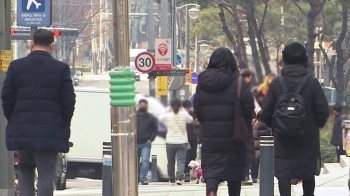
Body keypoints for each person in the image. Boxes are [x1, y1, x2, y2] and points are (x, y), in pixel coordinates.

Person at [1, 29, 76, 196]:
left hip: (22, 131)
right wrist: (63, 124)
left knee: (25, 169)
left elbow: (6, 97)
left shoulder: (16, 66)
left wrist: (14, 119)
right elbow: (68, 101)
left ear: (32, 43)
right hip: (50, 132)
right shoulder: (61, 69)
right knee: (46, 174)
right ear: (52, 45)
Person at [261, 42, 329, 196]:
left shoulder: (277, 83)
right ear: (305, 59)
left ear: (285, 59)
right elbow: (322, 111)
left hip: (283, 139)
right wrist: (312, 125)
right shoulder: (312, 83)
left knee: (284, 174)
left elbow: (265, 112)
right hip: (307, 138)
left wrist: (278, 125)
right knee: (307, 173)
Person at [193, 47, 254, 196]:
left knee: (212, 170)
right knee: (234, 173)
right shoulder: (239, 83)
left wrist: (206, 121)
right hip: (234, 136)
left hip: (210, 135)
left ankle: (212, 191)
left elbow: (197, 107)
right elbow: (249, 108)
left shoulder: (203, 82)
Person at [159, 98, 193, 185]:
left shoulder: (168, 116)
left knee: (170, 161)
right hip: (182, 141)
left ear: (171, 106)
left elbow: (160, 118)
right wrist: (182, 110)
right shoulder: (184, 114)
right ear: (181, 106)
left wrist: (167, 109)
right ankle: (179, 177)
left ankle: (171, 178)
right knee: (181, 161)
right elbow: (190, 120)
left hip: (170, 142)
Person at [136, 99, 158, 185]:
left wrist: (151, 139)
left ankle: (143, 178)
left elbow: (155, 129)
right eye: (141, 105)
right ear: (138, 105)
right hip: (135, 142)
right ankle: (135, 177)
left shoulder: (150, 117)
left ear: (147, 106)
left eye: (144, 105)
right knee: (134, 161)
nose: (142, 106)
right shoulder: (134, 116)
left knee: (145, 160)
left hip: (146, 142)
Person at [182, 100, 200, 182]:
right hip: (184, 139)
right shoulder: (180, 115)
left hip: (193, 138)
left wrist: (196, 123)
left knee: (193, 155)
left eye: (189, 108)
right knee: (186, 156)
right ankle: (186, 173)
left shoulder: (193, 114)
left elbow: (198, 124)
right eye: (186, 108)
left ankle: (192, 171)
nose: (188, 109)